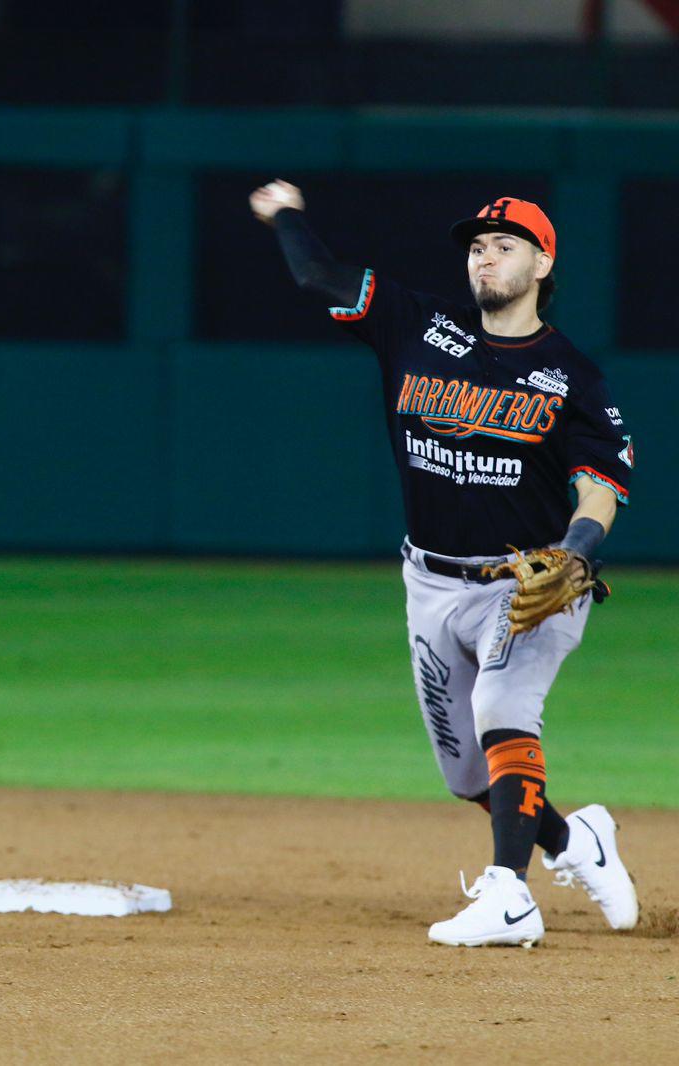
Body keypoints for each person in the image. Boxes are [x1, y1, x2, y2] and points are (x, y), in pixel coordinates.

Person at [249, 181, 638, 947]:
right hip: (428, 580)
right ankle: (577, 842)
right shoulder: (416, 325)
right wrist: (285, 213)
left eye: (505, 245)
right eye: (477, 246)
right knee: (470, 778)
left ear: (542, 261)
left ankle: (509, 897)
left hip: (526, 583)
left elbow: (601, 488)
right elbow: (318, 277)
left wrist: (576, 552)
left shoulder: (570, 376)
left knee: (502, 710)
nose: (486, 256)